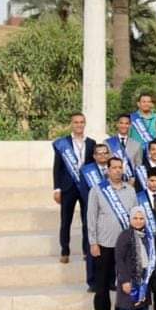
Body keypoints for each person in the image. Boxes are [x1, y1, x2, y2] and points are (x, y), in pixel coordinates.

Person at [87, 157, 139, 310]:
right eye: (114, 167)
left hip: (126, 243)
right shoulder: (97, 190)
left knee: (124, 277)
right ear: (108, 170)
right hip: (104, 242)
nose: (117, 170)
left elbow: (136, 215)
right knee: (102, 278)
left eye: (120, 167)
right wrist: (93, 242)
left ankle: (121, 308)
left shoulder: (130, 190)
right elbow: (91, 217)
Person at [53, 112, 96, 266]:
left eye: (81, 122)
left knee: (87, 220)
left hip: (85, 187)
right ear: (71, 124)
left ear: (85, 124)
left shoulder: (91, 143)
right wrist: (56, 188)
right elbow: (57, 167)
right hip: (68, 187)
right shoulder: (62, 143)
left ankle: (86, 251)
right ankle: (65, 251)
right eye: (76, 122)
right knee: (66, 221)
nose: (79, 125)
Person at [113, 206, 154, 310]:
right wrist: (124, 280)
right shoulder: (125, 235)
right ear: (130, 220)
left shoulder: (148, 236)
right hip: (130, 279)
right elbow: (119, 259)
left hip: (144, 279)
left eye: (141, 218)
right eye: (135, 218)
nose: (138, 221)